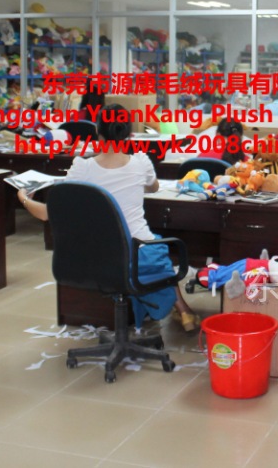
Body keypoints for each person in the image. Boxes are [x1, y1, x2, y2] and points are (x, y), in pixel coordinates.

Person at [17, 105, 200, 331]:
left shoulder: (82, 168)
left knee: (150, 244)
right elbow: (153, 188)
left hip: (95, 258)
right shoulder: (141, 162)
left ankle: (179, 310)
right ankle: (183, 310)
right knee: (155, 243)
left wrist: (23, 198)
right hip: (139, 256)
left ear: (97, 131)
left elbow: (48, 214)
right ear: (129, 133)